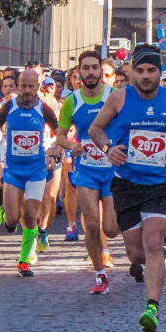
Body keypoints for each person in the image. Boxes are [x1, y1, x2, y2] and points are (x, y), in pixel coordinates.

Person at [88, 44, 166, 332]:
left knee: (153, 244)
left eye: (152, 70)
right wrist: (109, 149)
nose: (146, 76)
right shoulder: (118, 99)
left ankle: (152, 307)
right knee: (137, 254)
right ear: (131, 72)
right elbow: (95, 130)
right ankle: (150, 263)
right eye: (141, 70)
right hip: (126, 185)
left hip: (160, 184)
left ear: (160, 73)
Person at [56, 50, 120, 293]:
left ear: (101, 72)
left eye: (95, 68)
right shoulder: (72, 101)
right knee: (92, 225)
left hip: (113, 171)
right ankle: (99, 275)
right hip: (86, 171)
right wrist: (72, 145)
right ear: (79, 72)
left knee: (111, 229)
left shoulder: (113, 96)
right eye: (87, 68)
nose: (91, 72)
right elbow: (60, 136)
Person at [0, 69, 61, 277]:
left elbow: (59, 130)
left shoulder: (44, 108)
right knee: (13, 220)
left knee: (32, 215)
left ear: (37, 87)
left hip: (36, 170)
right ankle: (7, 215)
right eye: (23, 86)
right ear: (17, 86)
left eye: (31, 86)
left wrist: (55, 152)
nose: (27, 90)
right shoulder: (9, 106)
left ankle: (24, 260)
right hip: (13, 170)